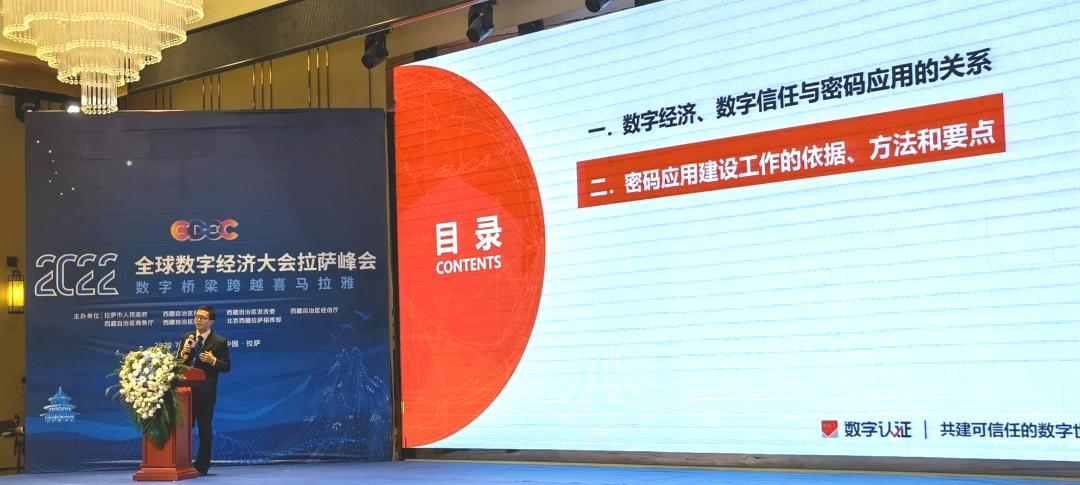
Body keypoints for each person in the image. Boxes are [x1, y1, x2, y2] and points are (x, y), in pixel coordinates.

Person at [180, 306, 231, 476]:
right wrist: (182, 356)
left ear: (211, 322)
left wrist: (213, 360)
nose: (198, 320)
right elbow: (178, 366)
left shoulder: (219, 341)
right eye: (196, 316)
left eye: (202, 318)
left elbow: (226, 367)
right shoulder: (186, 338)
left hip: (206, 393)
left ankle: (202, 466)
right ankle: (182, 462)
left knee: (204, 430)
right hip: (186, 392)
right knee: (183, 429)